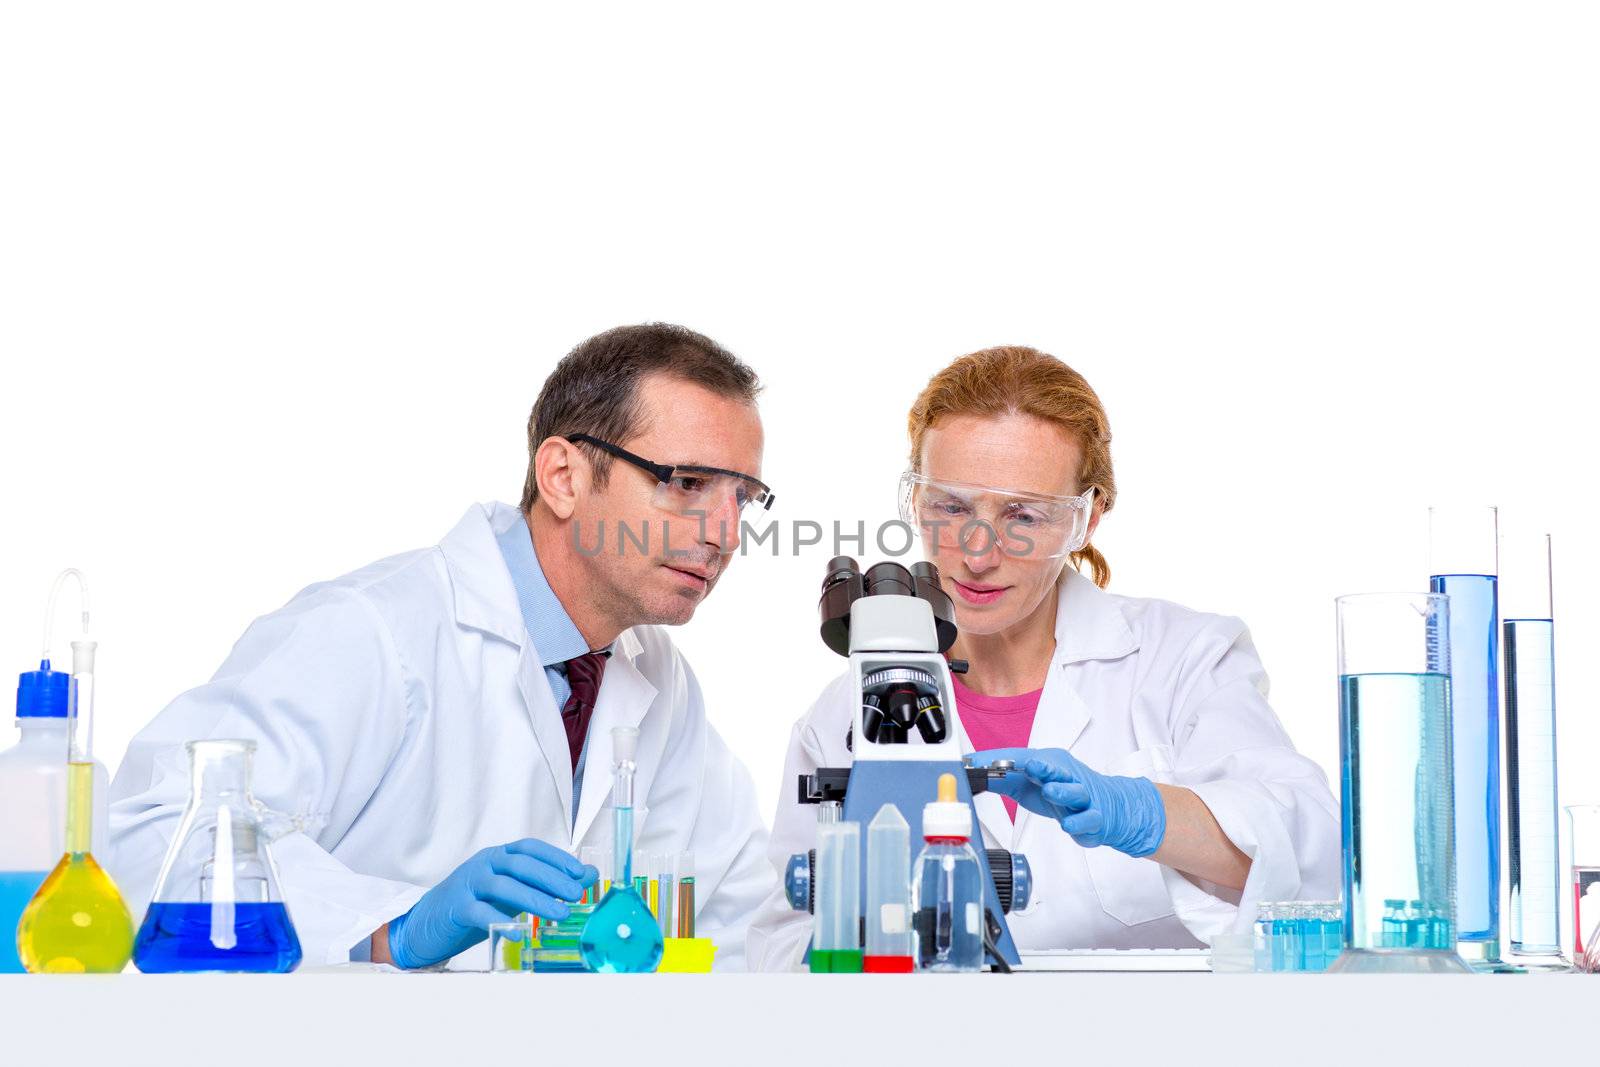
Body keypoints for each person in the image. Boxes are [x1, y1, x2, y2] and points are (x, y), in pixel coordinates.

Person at [110, 323, 778, 970]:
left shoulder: (659, 680)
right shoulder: (372, 631)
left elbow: (746, 919)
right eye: (688, 483)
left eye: (742, 499)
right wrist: (389, 929)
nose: (724, 533)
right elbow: (150, 829)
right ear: (563, 477)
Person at [747, 345, 1339, 969]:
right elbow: (779, 943)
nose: (977, 553)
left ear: (1087, 519)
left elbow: (1313, 850)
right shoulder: (847, 711)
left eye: (1023, 515)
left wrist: (1142, 813)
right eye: (950, 507)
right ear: (915, 500)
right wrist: (859, 918)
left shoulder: (1183, 660)